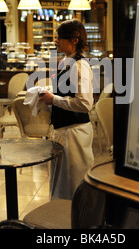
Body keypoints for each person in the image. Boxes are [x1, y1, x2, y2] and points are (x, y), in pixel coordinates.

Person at [39, 19, 94, 200]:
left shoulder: (80, 65)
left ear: (75, 40)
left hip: (75, 133)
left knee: (73, 187)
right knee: (62, 186)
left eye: (60, 38)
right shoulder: (66, 62)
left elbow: (85, 104)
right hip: (65, 131)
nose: (56, 41)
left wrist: (53, 99)